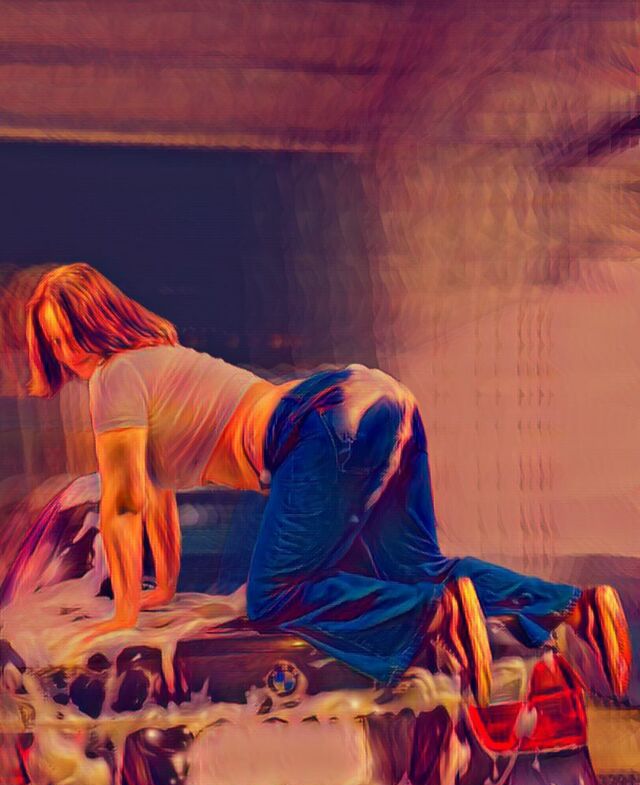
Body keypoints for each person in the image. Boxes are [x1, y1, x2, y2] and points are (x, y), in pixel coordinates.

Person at [25, 263, 631, 706]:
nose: (66, 350)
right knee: (416, 565)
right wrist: (160, 589)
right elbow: (154, 499)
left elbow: (122, 501)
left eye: (70, 330)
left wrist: (123, 613)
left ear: (99, 319)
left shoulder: (114, 377)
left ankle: (437, 614)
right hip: (379, 400)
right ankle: (577, 608)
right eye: (53, 340)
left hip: (316, 424)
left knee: (275, 597)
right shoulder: (160, 358)